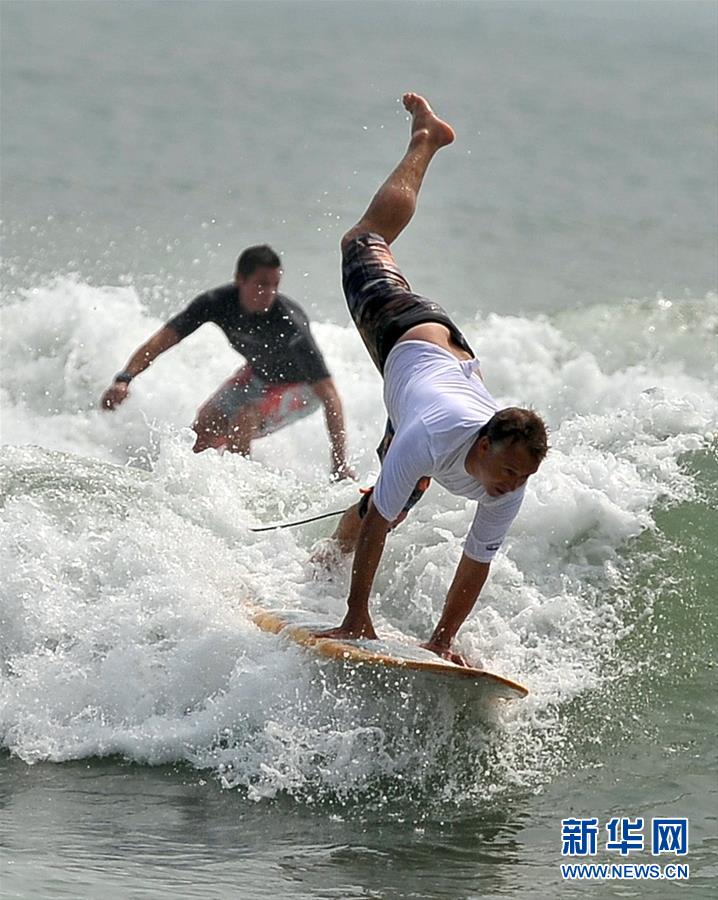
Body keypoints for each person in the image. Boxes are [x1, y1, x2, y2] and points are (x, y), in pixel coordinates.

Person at [317, 93, 548, 664]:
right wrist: (357, 620)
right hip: (406, 332)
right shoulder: (433, 439)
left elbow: (477, 559)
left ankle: (321, 563)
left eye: (523, 476)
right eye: (511, 469)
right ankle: (427, 138)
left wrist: (442, 639)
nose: (513, 484)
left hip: (437, 377)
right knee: (364, 240)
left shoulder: (505, 482)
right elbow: (380, 528)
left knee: (388, 494)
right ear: (486, 444)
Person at [101, 245, 353, 479]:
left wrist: (339, 465)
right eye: (261, 284)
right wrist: (124, 379)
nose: (270, 293)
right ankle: (185, 487)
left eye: (275, 285)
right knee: (202, 427)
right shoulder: (217, 303)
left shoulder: (288, 322)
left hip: (303, 389)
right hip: (257, 376)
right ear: (240, 279)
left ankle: (239, 492)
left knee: (242, 420)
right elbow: (161, 341)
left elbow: (329, 394)